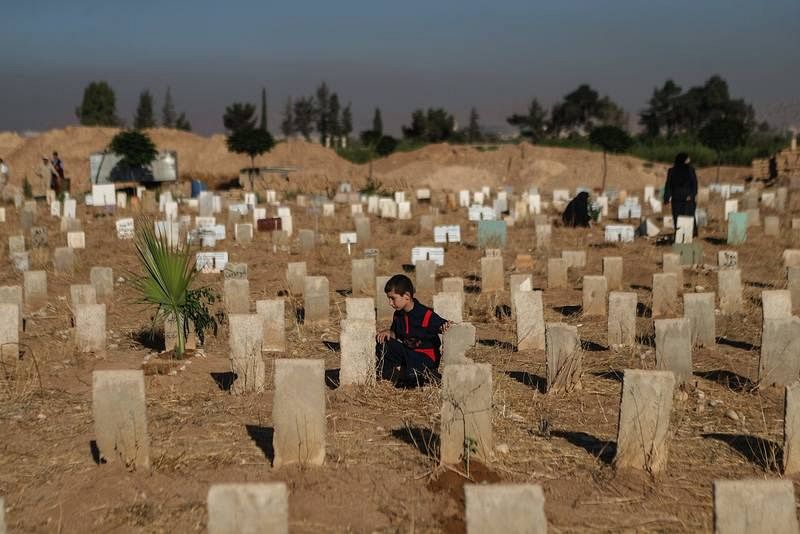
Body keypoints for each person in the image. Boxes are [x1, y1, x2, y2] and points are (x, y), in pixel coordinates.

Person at [376, 274, 451, 387]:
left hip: (425, 357)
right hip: (409, 353)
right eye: (389, 299)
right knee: (381, 342)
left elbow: (443, 325)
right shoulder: (398, 314)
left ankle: (429, 375)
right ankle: (392, 373)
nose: (390, 303)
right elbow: (395, 334)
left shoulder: (425, 314)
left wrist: (446, 326)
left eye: (393, 298)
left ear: (406, 296)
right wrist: (388, 332)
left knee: (411, 377)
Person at [663, 152, 698, 238]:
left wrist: (692, 195)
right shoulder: (671, 171)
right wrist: (667, 197)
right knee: (677, 217)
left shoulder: (690, 170)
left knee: (689, 216)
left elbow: (694, 185)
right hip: (676, 199)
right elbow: (668, 185)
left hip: (688, 199)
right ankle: (679, 234)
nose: (688, 161)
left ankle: (691, 233)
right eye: (687, 159)